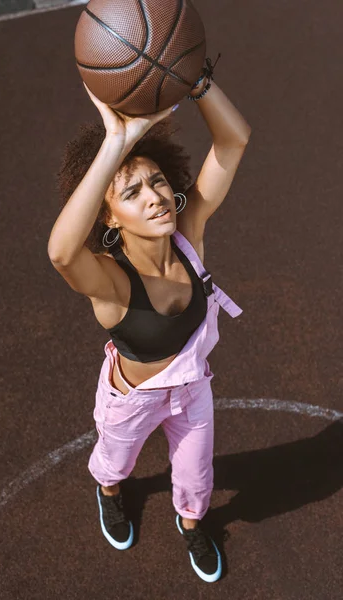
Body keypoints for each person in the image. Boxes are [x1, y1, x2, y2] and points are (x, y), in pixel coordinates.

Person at [48, 57, 251, 583]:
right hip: (131, 400)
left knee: (196, 475)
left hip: (191, 389)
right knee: (116, 463)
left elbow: (233, 143)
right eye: (131, 192)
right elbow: (62, 254)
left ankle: (191, 525)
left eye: (156, 182)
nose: (155, 197)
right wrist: (115, 142)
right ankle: (110, 493)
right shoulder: (112, 283)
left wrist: (198, 83)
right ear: (108, 217)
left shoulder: (190, 234)